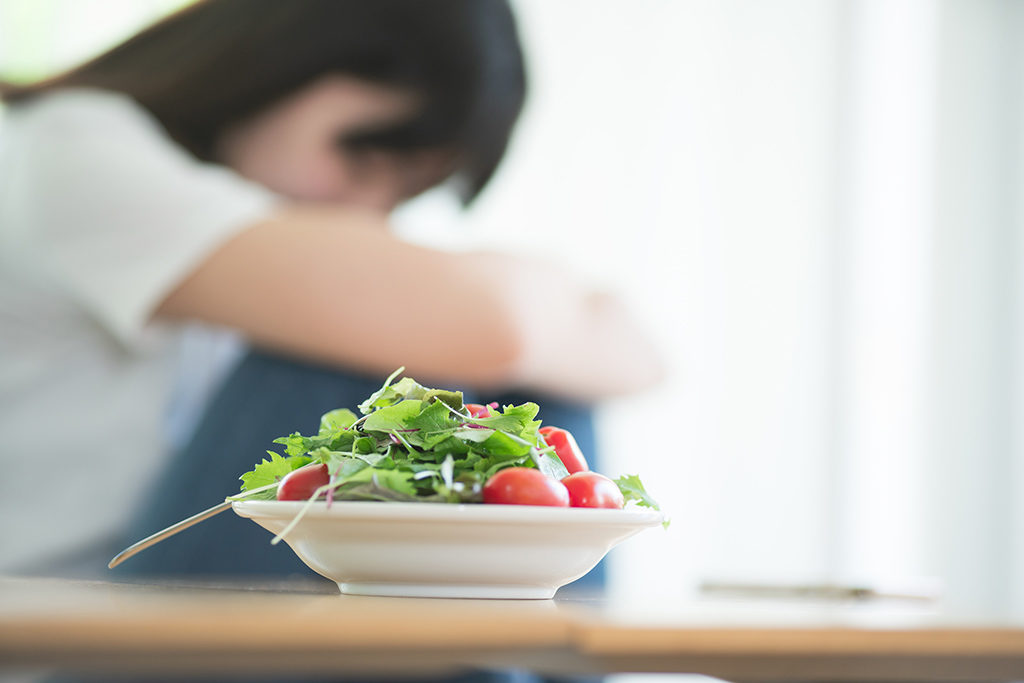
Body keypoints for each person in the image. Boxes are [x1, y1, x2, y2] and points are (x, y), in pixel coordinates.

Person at [0, 0, 663, 587]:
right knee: (390, 360)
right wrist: (562, 311)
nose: (364, 212)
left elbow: (641, 353)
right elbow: (500, 326)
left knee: (514, 389)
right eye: (364, 157)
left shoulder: (214, 206)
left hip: (144, 608)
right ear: (284, 58)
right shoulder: (75, 149)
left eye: (402, 195)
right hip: (69, 634)